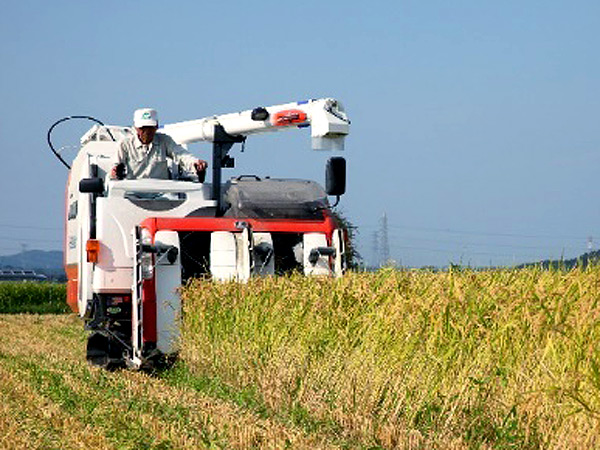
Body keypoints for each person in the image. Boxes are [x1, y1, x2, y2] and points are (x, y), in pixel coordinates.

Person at [112, 108, 207, 180]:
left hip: (161, 194)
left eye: (150, 128)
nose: (147, 132)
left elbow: (181, 155)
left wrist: (196, 163)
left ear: (156, 126)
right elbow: (115, 169)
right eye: (143, 128)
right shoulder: (124, 145)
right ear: (136, 128)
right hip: (132, 193)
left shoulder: (165, 141)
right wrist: (115, 172)